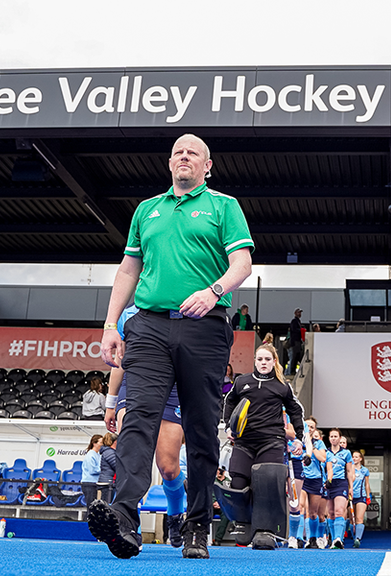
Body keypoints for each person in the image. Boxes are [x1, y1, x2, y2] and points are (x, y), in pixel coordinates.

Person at [92, 133, 255, 560]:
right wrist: (112, 323)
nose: (184, 157)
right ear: (169, 164)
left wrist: (214, 290)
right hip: (147, 326)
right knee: (138, 418)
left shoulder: (224, 206)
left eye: (193, 153)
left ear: (207, 166)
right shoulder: (147, 210)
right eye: (178, 152)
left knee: (202, 429)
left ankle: (198, 526)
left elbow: (243, 263)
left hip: (205, 326)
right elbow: (129, 269)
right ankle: (124, 518)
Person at [103, 305, 191, 549]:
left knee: (168, 467)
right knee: (131, 455)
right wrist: (111, 402)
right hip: (134, 382)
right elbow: (119, 362)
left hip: (172, 385)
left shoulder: (183, 305)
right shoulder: (128, 314)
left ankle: (175, 516)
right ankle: (129, 525)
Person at [220, 343, 305, 549]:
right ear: (255, 361)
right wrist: (228, 426)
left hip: (272, 441)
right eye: (260, 359)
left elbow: (295, 411)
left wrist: (299, 437)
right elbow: (229, 402)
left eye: (267, 359)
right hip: (244, 441)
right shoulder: (242, 382)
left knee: (266, 485)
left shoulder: (282, 386)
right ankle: (244, 523)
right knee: (238, 482)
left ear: (274, 361)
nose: (263, 363)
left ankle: (265, 530)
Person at [323, 429, 355, 549]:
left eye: (336, 436)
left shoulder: (346, 453)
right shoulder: (325, 452)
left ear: (340, 438)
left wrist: (350, 487)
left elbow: (349, 471)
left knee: (339, 511)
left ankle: (338, 538)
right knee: (330, 513)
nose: (333, 438)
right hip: (328, 484)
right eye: (331, 436)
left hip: (341, 483)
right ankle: (333, 539)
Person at [300, 421, 329, 549]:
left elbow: (323, 458)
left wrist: (311, 447)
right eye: (308, 426)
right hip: (301, 477)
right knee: (300, 507)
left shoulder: (319, 443)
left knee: (313, 513)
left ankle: (313, 538)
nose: (310, 428)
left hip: (315, 479)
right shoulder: (297, 440)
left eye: (312, 427)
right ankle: (297, 538)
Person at [350, 450, 371, 548]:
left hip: (361, 496)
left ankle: (358, 538)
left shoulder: (365, 470)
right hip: (350, 496)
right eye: (353, 457)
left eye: (356, 457)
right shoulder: (349, 468)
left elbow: (367, 484)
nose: (354, 458)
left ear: (361, 459)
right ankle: (354, 536)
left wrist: (368, 496)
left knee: (359, 518)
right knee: (351, 519)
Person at [81, 434, 104, 505]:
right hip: (89, 483)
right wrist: (104, 469)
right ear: (94, 443)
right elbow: (92, 470)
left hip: (95, 483)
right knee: (91, 506)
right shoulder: (90, 454)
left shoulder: (98, 455)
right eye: (101, 442)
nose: (102, 444)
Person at [100, 433, 118, 504]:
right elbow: (117, 466)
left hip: (108, 482)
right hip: (108, 483)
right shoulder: (109, 452)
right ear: (115, 441)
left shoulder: (108, 452)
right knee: (106, 504)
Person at [286, 308, 304, 376]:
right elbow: (294, 330)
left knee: (296, 357)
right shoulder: (294, 321)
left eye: (300, 313)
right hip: (295, 342)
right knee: (294, 357)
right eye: (298, 312)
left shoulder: (298, 321)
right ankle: (291, 372)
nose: (300, 314)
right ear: (295, 313)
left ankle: (292, 371)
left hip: (297, 341)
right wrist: (300, 330)